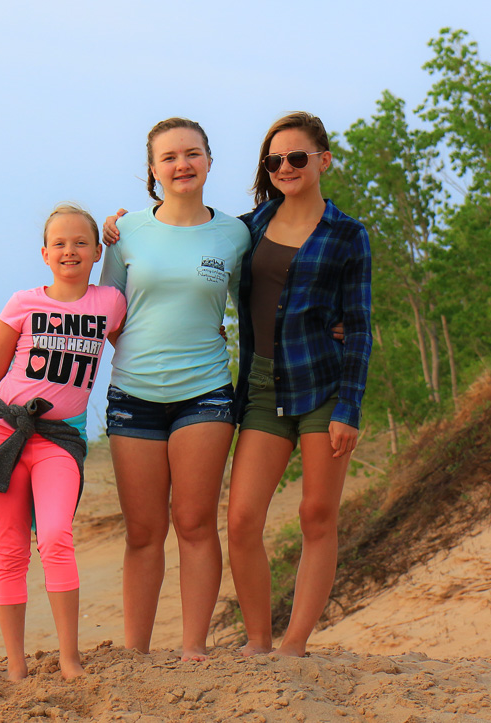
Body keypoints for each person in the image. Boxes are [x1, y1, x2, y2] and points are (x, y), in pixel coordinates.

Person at [99, 118, 251, 661]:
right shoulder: (124, 233)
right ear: (152, 169)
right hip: (132, 395)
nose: (181, 164)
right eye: (169, 157)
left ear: (209, 160)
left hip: (206, 393)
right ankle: (136, 651)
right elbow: (104, 312)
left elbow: (256, 307)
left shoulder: (235, 234)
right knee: (143, 531)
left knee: (193, 522)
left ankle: (193, 647)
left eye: (192, 153)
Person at [228, 112, 372, 657]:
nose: (285, 167)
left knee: (317, 515)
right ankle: (258, 641)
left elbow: (358, 327)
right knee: (241, 520)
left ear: (323, 160)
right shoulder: (248, 227)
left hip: (324, 386)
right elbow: (188, 241)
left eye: (296, 157)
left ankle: (293, 646)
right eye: (274, 160)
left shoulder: (348, 235)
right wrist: (123, 226)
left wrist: (349, 408)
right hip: (263, 387)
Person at [0, 204, 126, 680]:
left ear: (97, 251)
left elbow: (135, 341)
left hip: (60, 439)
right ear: (44, 253)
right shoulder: (23, 303)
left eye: (80, 242)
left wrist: (122, 231)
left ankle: (69, 659)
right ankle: (15, 665)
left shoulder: (108, 302)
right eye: (59, 243)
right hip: (4, 432)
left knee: (55, 536)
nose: (69, 250)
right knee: (11, 546)